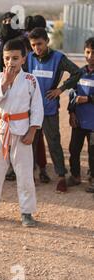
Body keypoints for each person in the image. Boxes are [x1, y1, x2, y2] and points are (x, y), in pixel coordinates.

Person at [0, 39, 44, 227]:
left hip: (22, 132)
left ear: (23, 58)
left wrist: (33, 130)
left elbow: (37, 107)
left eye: (15, 58)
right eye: (7, 58)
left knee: (25, 173)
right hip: (2, 130)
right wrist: (5, 83)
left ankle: (27, 212)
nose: (10, 62)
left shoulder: (30, 80)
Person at [27, 27, 82, 193]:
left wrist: (61, 89)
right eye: (33, 45)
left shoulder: (58, 58)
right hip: (31, 108)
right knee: (31, 143)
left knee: (54, 143)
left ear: (47, 41)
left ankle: (60, 177)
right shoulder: (29, 58)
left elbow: (77, 72)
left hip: (50, 108)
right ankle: (31, 175)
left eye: (40, 44)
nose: (37, 48)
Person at [66, 37, 94, 194]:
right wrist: (71, 112)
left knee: (93, 152)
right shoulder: (80, 73)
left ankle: (93, 178)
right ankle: (75, 175)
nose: (90, 56)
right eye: (88, 52)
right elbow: (72, 94)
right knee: (74, 149)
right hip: (79, 121)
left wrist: (88, 99)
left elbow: (83, 97)